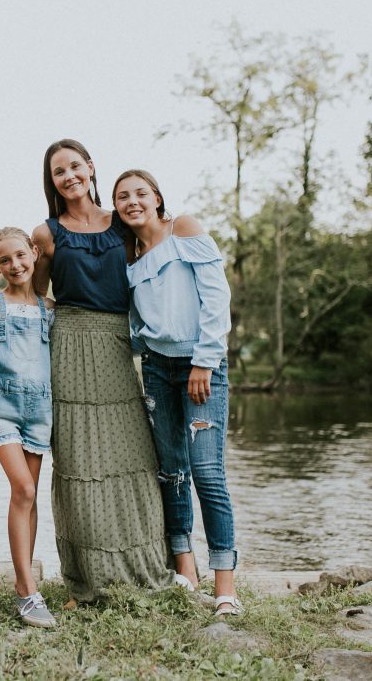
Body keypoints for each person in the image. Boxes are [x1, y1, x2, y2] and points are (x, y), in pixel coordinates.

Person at [31, 139, 174, 604]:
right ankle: (85, 580)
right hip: (68, 345)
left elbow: (159, 266)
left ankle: (142, 569)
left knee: (132, 457)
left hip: (116, 345)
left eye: (75, 166)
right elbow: (32, 297)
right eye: (59, 171)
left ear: (91, 168)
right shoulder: (47, 233)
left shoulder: (123, 224)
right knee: (77, 462)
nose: (69, 176)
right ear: (51, 181)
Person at [115, 169, 241, 616]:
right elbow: (135, 322)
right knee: (171, 471)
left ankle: (225, 586)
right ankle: (186, 574)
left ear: (156, 198)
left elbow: (215, 296)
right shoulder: (128, 255)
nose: (132, 201)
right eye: (123, 196)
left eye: (140, 193)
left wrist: (206, 360)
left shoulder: (183, 229)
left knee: (207, 471)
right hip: (156, 369)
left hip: (199, 364)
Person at [0, 227, 57, 627]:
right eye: (4, 260)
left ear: (35, 253)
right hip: (1, 406)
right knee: (21, 488)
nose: (15, 265)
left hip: (40, 409)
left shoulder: (49, 308)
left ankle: (26, 583)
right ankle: (26, 591)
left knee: (31, 496)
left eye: (20, 256)